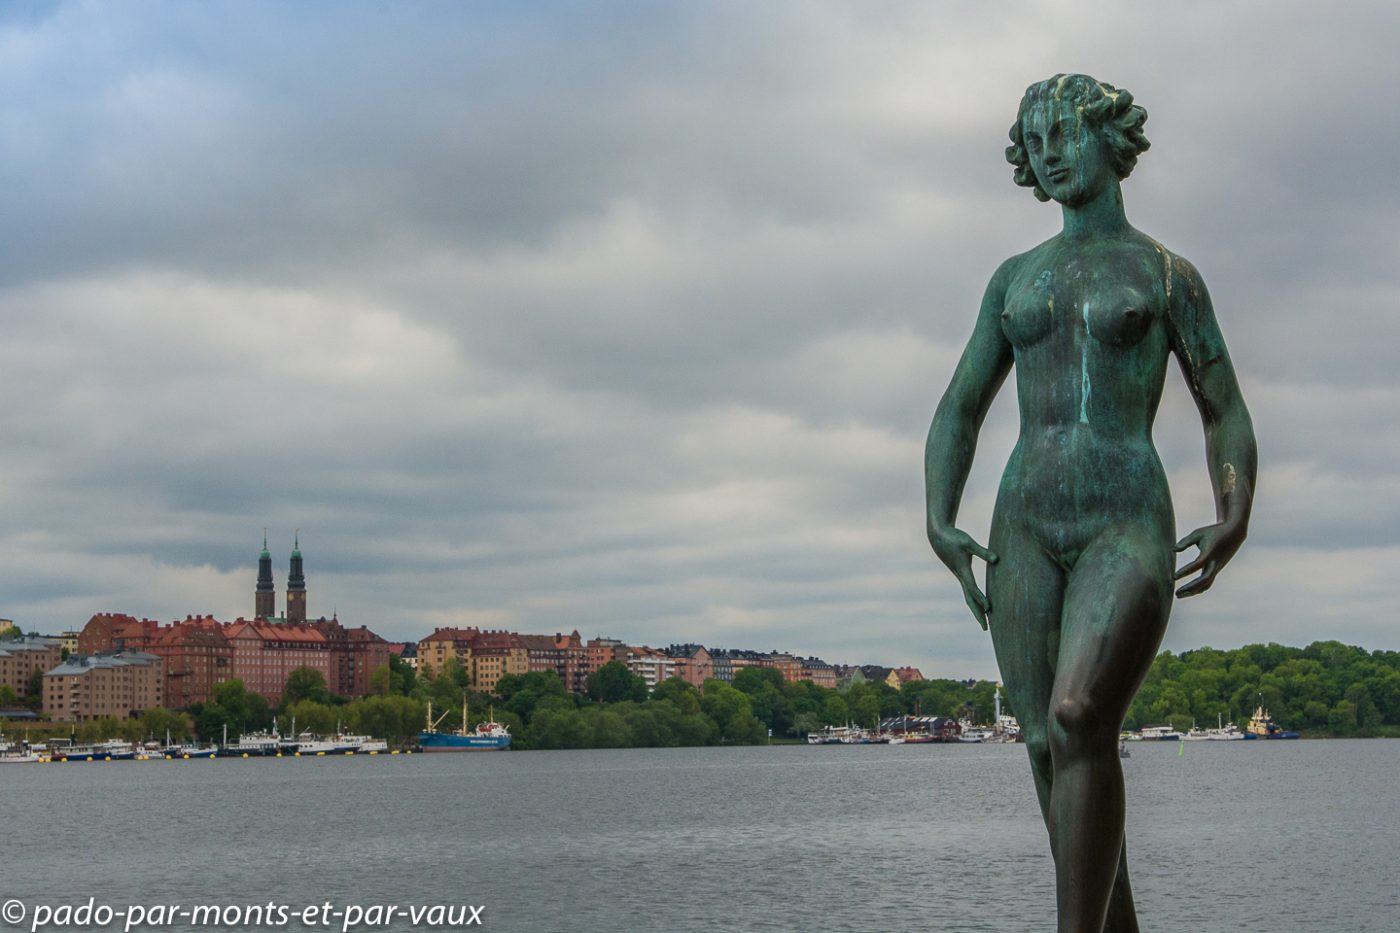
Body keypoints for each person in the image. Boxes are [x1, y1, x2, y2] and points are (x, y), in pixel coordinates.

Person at [924, 74, 1257, 933]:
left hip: (1123, 519)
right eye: (1037, 145)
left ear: (1111, 140)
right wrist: (939, 514)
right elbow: (961, 405)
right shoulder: (1014, 279)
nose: (1052, 153)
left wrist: (1234, 504)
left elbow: (1221, 405)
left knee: (1079, 717)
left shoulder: (1163, 272)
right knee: (1043, 742)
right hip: (1023, 525)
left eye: (1065, 133)